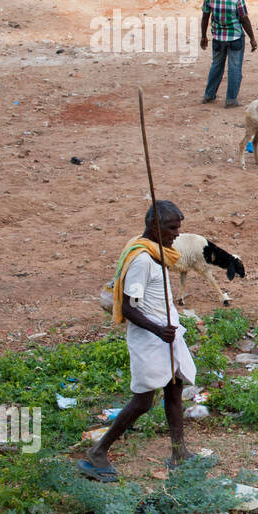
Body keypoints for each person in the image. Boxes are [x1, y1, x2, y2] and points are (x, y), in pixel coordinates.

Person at [79, 201, 196, 481]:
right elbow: (129, 308)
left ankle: (179, 453)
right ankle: (98, 453)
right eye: (171, 228)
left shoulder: (156, 252)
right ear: (154, 226)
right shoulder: (143, 259)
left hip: (167, 334)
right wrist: (157, 330)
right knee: (143, 401)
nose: (177, 234)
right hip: (150, 338)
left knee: (174, 388)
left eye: (178, 227)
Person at [200, 0, 257, 108]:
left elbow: (205, 17)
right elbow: (244, 19)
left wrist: (203, 36)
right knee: (235, 68)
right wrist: (252, 38)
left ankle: (209, 95)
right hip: (235, 38)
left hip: (218, 37)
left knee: (216, 66)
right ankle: (231, 100)